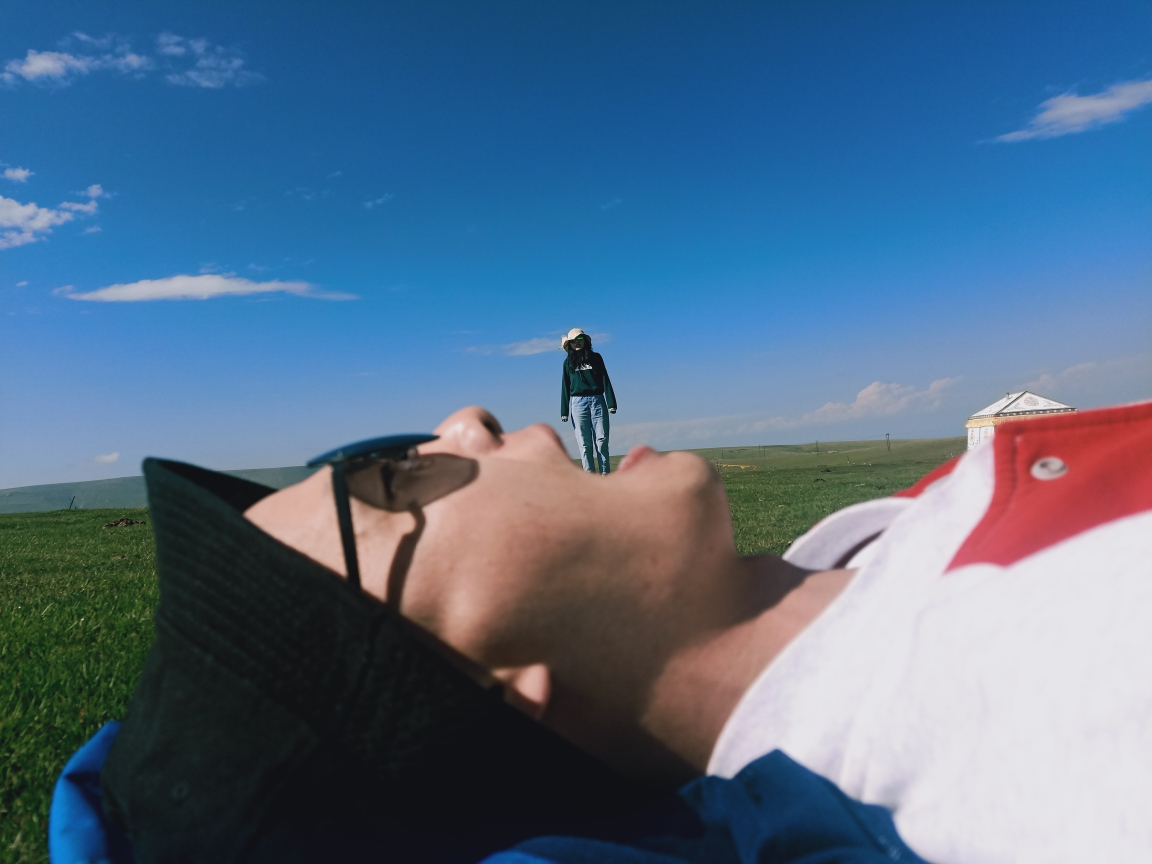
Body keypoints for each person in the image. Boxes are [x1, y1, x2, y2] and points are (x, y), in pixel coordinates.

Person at [53, 399, 1152, 864]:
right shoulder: (1039, 730)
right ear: (489, 683)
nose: (466, 422)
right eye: (393, 481)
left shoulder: (877, 558)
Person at [559, 328, 616, 474]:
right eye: (573, 341)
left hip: (598, 400)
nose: (577, 343)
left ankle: (605, 475)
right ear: (569, 344)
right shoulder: (567, 363)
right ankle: (589, 476)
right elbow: (565, 386)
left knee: (602, 440)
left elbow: (605, 378)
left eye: (579, 339)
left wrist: (611, 403)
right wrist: (564, 411)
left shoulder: (596, 358)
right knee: (584, 443)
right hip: (578, 403)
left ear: (585, 341)